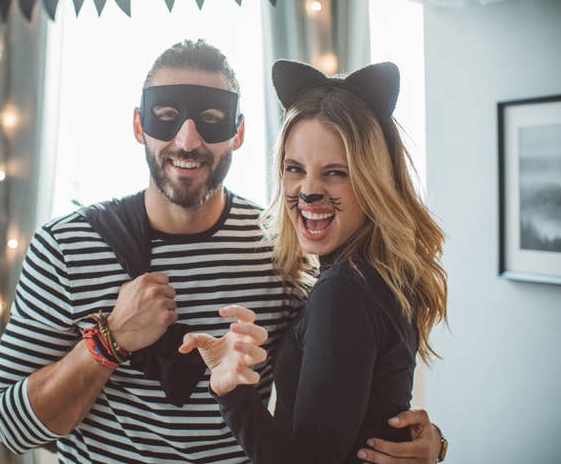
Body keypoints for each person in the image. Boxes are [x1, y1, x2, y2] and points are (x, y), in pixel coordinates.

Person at [0, 40, 445, 463]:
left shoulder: (283, 243)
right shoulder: (65, 246)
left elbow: (348, 376)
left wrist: (424, 443)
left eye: (211, 120)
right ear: (137, 124)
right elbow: (10, 427)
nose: (187, 141)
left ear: (239, 133)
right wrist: (109, 340)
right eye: (165, 115)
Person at [179, 59, 449, 464]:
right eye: (294, 169)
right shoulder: (384, 274)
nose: (307, 192)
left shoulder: (345, 289)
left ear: (375, 180)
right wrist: (438, 444)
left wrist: (230, 389)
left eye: (335, 173)